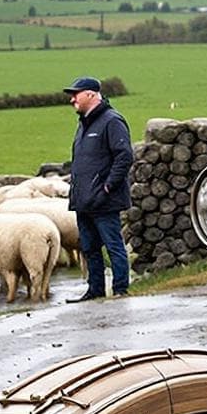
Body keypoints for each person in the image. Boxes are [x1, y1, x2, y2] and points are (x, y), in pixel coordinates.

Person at [63, 77, 134, 301]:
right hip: (83, 199)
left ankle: (121, 289)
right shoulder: (84, 124)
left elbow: (124, 157)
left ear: (92, 95)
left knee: (113, 244)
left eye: (77, 93)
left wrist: (107, 187)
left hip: (104, 199)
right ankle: (95, 289)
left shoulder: (111, 121)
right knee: (89, 247)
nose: (72, 98)